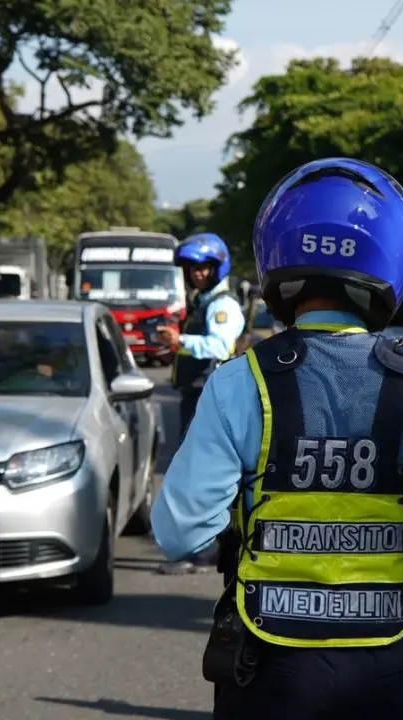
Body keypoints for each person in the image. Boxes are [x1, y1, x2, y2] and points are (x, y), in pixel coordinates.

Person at [151, 158, 403, 719]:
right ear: (391, 258)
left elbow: (178, 533)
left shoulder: (239, 383)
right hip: (391, 674)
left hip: (268, 675)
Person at [154, 233, 246, 575]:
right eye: (192, 268)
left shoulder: (222, 305)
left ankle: (205, 549)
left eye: (205, 268)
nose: (197, 273)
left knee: (200, 474)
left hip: (207, 397)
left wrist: (181, 341)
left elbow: (220, 346)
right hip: (196, 394)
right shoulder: (204, 301)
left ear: (218, 268)